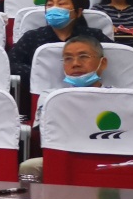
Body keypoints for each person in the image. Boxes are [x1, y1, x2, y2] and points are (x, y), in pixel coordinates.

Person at [18, 36, 112, 179]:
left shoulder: (118, 97)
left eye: (83, 57)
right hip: (65, 156)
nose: (75, 64)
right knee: (29, 167)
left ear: (103, 63)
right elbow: (48, 134)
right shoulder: (50, 97)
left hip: (108, 157)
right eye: (68, 59)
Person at [9, 0, 109, 81]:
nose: (54, 8)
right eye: (49, 5)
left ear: (78, 12)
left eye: (61, 4)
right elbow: (11, 64)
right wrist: (41, 72)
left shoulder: (94, 36)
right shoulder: (32, 37)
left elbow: (115, 58)